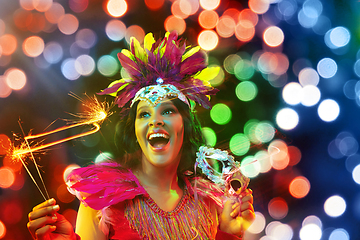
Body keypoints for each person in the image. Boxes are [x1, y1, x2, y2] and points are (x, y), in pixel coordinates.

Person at [27, 32, 255, 240]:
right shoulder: (102, 200)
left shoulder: (209, 202)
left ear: (184, 127)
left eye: (167, 110)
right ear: (135, 132)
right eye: (144, 114)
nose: (155, 120)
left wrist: (229, 233)